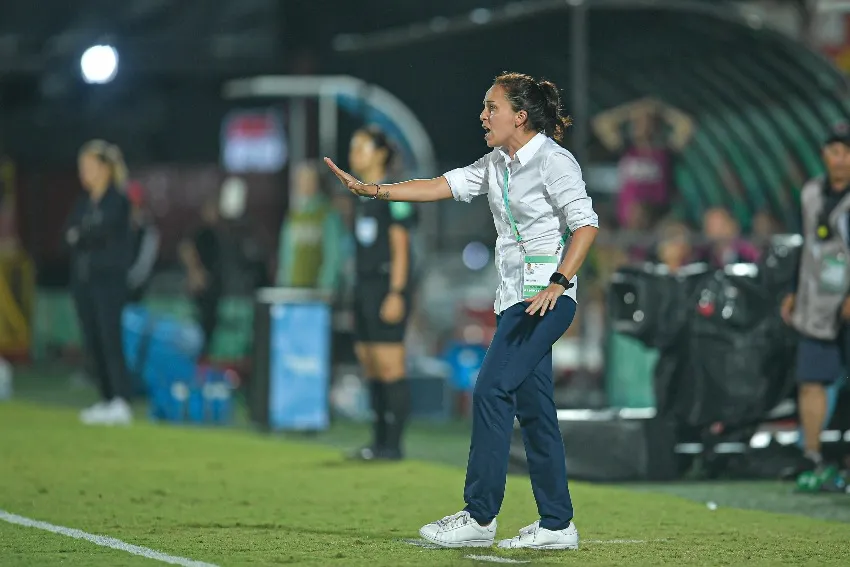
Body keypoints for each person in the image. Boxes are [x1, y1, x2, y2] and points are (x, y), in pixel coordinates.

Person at [326, 72, 598, 550]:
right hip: (514, 300)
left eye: (491, 107)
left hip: (544, 300)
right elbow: (439, 186)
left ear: (520, 115)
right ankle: (557, 523)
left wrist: (559, 281)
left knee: (491, 391)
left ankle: (480, 515)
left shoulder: (556, 161)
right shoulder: (496, 163)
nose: (482, 115)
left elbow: (586, 226)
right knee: (536, 412)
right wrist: (376, 191)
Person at [341, 125, 417, 461]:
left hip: (387, 287)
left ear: (381, 154)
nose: (353, 155)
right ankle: (377, 442)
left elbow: (402, 246)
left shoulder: (393, 193)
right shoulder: (361, 194)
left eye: (361, 147)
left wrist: (397, 293)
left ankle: (394, 446)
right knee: (369, 364)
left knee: (390, 367)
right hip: (363, 287)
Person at [781, 123, 850, 476]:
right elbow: (803, 246)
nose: (840, 159)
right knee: (811, 378)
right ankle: (811, 454)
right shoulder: (810, 193)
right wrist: (792, 290)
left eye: (846, 152)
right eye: (834, 151)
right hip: (816, 301)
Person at [63, 140, 134, 425]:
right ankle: (106, 399)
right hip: (84, 281)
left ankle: (121, 399)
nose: (84, 173)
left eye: (90, 166)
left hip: (109, 282)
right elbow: (67, 236)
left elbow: (100, 235)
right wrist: (83, 236)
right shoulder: (83, 203)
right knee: (92, 342)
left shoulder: (118, 201)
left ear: (105, 168)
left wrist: (83, 236)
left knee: (109, 339)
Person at [592, 97, 693, 229]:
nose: (644, 126)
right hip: (629, 221)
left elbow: (687, 125)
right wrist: (630, 111)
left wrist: (662, 111)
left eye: (648, 121)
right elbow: (600, 123)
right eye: (639, 122)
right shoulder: (626, 149)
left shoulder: (666, 151)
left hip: (659, 220)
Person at [276, 161, 345, 292]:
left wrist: (325, 287)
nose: (304, 185)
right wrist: (283, 285)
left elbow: (333, 255)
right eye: (301, 181)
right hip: (293, 290)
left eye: (309, 180)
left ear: (316, 183)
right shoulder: (293, 216)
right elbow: (286, 255)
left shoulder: (327, 214)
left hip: (317, 292)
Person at [179, 198, 224, 357]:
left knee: (211, 324)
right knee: (200, 324)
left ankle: (205, 357)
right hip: (201, 288)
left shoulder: (219, 233)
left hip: (215, 288)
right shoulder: (200, 232)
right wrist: (194, 272)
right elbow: (186, 248)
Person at [126, 180, 160, 303]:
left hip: (136, 293)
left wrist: (127, 281)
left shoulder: (148, 232)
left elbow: (144, 264)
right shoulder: (118, 229)